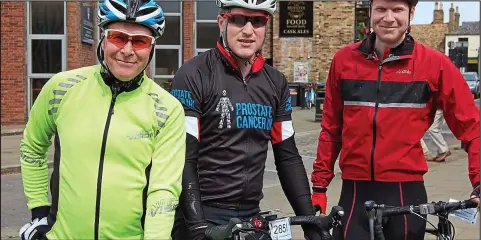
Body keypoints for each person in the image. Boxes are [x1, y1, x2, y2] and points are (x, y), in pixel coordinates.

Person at [310, 0, 480, 239]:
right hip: (354, 191)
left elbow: (472, 126)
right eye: (381, 9)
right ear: (370, 12)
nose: (388, 18)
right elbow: (331, 129)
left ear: (411, 13)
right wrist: (319, 186)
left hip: (405, 193)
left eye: (397, 10)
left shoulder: (434, 64)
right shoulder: (344, 61)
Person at [18, 0, 186, 239]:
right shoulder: (61, 88)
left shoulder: (167, 109)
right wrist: (39, 212)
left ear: (151, 48)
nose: (127, 50)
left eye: (139, 41)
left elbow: (163, 190)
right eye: (118, 37)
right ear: (103, 39)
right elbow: (32, 147)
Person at [169, 0, 321, 239]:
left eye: (258, 21)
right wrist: (198, 228)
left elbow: (288, 157)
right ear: (222, 22)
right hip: (202, 215)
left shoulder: (275, 82)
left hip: (252, 216)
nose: (248, 31)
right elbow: (184, 159)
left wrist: (311, 222)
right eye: (239, 19)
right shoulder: (193, 74)